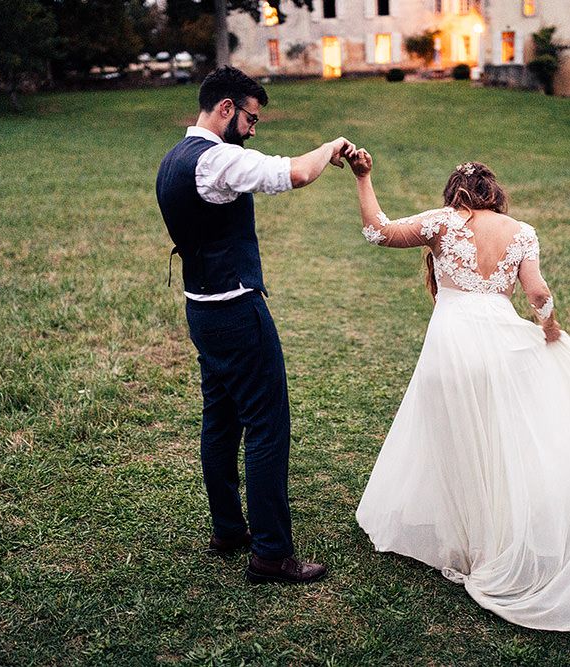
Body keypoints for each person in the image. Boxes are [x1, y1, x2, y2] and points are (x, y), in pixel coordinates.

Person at [347, 150, 570, 630]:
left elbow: (377, 231)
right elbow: (538, 293)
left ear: (455, 194)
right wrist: (548, 327)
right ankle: (496, 538)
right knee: (495, 440)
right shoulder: (522, 232)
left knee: (451, 440)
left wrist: (364, 179)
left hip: (451, 347)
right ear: (496, 194)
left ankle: (467, 542)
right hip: (501, 346)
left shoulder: (442, 224)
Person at [156, 66, 356, 584]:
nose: (251, 129)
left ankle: (228, 528)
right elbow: (293, 174)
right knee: (267, 424)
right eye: (250, 118)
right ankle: (271, 552)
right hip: (236, 311)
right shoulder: (217, 161)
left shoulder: (173, 158)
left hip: (200, 307)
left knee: (220, 419)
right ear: (225, 109)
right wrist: (333, 145)